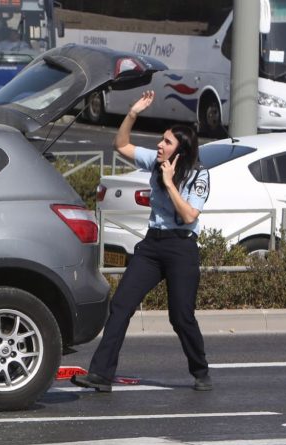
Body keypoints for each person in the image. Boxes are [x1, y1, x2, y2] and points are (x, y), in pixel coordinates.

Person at [73, 90, 213, 393]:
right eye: (160, 140)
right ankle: (101, 374)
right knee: (121, 305)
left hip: (181, 247)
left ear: (181, 150)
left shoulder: (199, 175)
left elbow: (189, 215)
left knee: (180, 316)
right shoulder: (155, 160)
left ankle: (200, 370)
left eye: (166, 142)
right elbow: (121, 144)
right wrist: (133, 112)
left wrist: (168, 184)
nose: (159, 146)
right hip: (152, 245)